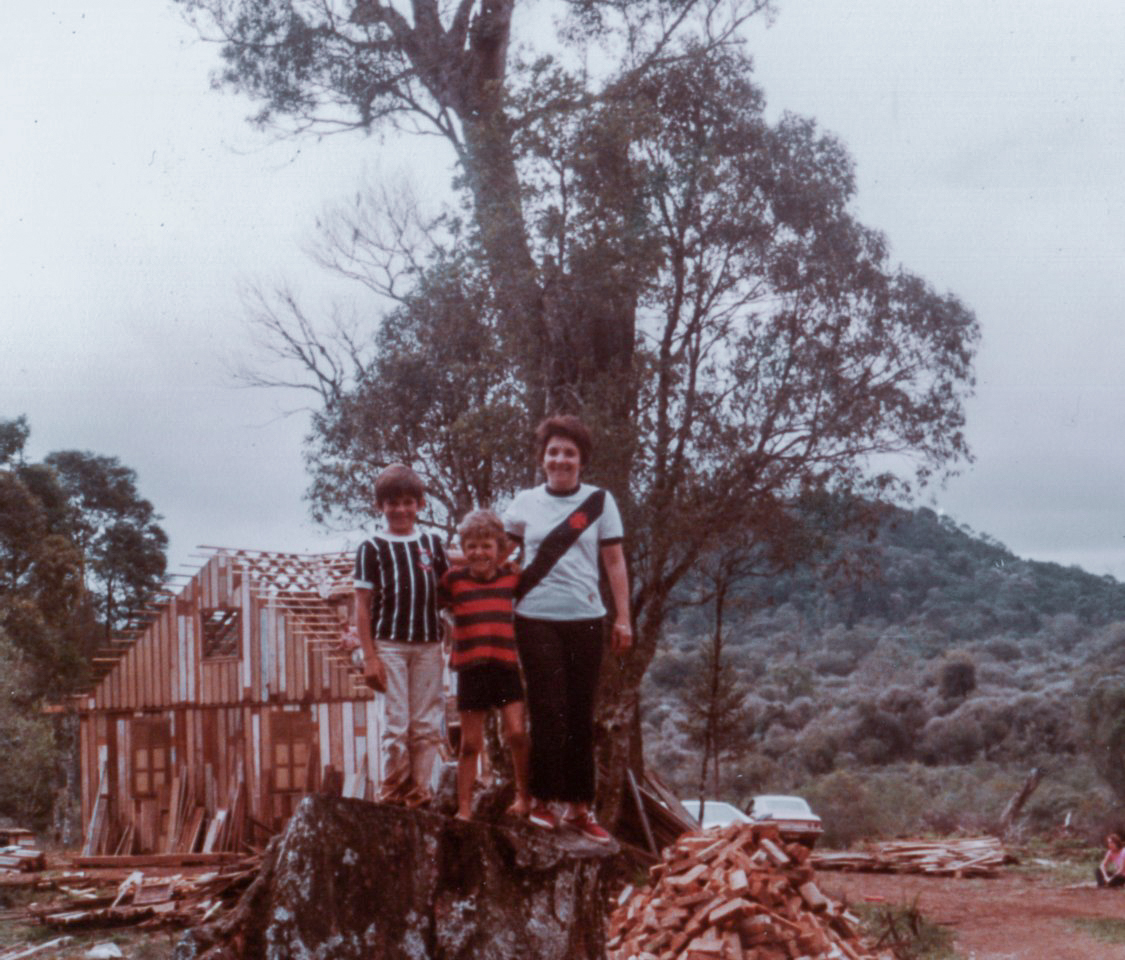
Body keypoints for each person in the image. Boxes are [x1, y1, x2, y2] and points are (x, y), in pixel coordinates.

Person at [503, 415, 632, 843]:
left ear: (581, 460)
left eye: (569, 453)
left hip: (586, 618)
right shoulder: (523, 503)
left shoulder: (599, 502)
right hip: (535, 616)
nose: (561, 459)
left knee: (580, 711)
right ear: (543, 458)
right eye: (553, 451)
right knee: (547, 707)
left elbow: (614, 562)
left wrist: (624, 617)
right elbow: (497, 555)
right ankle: (542, 800)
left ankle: (579, 807)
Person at [354, 463, 449, 806]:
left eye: (408, 502)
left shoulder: (432, 544)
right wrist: (369, 656)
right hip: (389, 645)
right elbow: (362, 605)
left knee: (425, 724)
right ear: (380, 506)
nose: (400, 510)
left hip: (428, 645)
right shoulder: (372, 547)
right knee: (395, 726)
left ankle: (419, 793)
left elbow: (449, 592)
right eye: (392, 503)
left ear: (421, 505)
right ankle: (392, 794)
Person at [438, 509, 531, 821]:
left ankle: (524, 798)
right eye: (471, 547)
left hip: (505, 667)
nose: (479, 553)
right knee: (470, 743)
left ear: (498, 549)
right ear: (463, 550)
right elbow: (434, 602)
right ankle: (464, 808)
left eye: (486, 546)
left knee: (517, 733)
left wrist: (509, 561)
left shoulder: (511, 578)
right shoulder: (453, 581)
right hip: (471, 669)